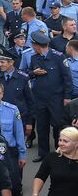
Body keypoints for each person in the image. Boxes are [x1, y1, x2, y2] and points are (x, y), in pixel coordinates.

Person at [28, 31, 72, 161]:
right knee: (42, 126)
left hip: (56, 98)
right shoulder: (34, 58)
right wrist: (34, 72)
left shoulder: (58, 57)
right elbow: (28, 74)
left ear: (37, 45)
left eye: (33, 44)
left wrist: (67, 97)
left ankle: (60, 151)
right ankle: (43, 154)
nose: (32, 46)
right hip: (40, 98)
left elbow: (67, 78)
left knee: (58, 125)